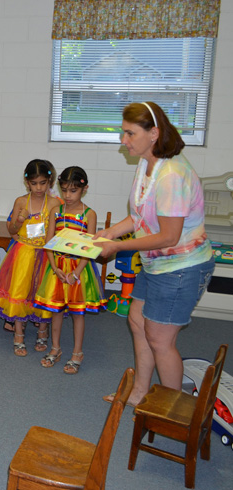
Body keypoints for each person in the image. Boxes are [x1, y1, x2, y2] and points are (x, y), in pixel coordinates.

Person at [95, 101, 214, 406]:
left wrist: (118, 246)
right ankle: (140, 392)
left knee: (161, 340)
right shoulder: (148, 165)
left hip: (181, 266)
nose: (124, 141)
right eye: (123, 133)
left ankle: (171, 410)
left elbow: (169, 235)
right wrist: (110, 233)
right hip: (156, 263)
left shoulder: (171, 175)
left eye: (130, 133)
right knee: (137, 321)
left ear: (154, 133)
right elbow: (139, 218)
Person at [33, 167, 107, 374]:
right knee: (56, 309)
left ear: (84, 189)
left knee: (77, 313)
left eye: (73, 191)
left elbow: (90, 248)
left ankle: (77, 353)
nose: (67, 195)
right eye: (64, 190)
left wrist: (76, 273)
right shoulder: (56, 211)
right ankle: (55, 348)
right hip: (57, 267)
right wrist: (54, 267)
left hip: (79, 269)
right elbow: (49, 242)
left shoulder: (89, 214)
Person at [0, 159, 60, 356]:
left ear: (50, 181)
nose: (38, 188)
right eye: (34, 183)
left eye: (43, 183)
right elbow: (11, 229)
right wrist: (20, 219)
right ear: (27, 182)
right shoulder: (21, 201)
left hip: (46, 254)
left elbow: (59, 231)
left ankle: (43, 331)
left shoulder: (54, 203)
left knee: (42, 291)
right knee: (19, 291)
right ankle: (18, 334)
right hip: (24, 253)